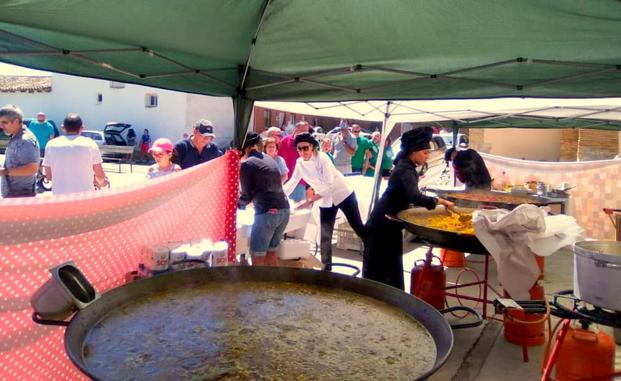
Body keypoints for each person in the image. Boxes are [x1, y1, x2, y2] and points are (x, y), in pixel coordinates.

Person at [363, 127, 455, 290]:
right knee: (385, 265)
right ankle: (385, 299)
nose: (427, 157)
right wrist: (440, 201)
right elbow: (415, 197)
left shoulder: (405, 166)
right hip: (384, 224)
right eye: (425, 153)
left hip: (385, 219)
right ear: (413, 152)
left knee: (385, 264)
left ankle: (385, 296)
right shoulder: (406, 169)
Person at [283, 133, 366, 270]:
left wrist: (308, 201)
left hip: (343, 193)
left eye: (305, 148)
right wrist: (278, 195)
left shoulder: (322, 158)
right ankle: (327, 269)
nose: (303, 152)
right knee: (325, 235)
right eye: (299, 149)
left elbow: (329, 185)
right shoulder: (299, 163)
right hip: (325, 199)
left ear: (312, 147)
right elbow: (292, 182)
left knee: (358, 227)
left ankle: (371, 256)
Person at [239, 132, 290, 267]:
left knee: (258, 258)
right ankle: (273, 286)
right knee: (271, 253)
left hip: (268, 212)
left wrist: (237, 205)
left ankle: (258, 288)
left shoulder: (247, 164)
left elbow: (246, 195)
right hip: (284, 209)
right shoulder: (269, 159)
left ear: (245, 147)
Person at [42, 113, 108, 195]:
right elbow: (100, 176)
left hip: (59, 197)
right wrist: (101, 182)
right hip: (84, 197)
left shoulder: (51, 145)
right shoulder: (90, 144)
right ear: (82, 128)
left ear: (63, 128)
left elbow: (49, 176)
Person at [0, 105, 39, 198]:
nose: (1, 126)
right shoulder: (17, 136)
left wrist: (4, 171)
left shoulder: (24, 140)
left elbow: (32, 169)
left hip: (20, 194)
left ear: (17, 121)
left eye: (4, 122)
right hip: (17, 193)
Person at [279, 121, 309, 201]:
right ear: (297, 129)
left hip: (300, 181)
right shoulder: (285, 141)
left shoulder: (308, 144)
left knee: (298, 210)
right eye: (304, 131)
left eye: (307, 131)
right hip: (285, 180)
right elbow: (278, 158)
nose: (306, 133)